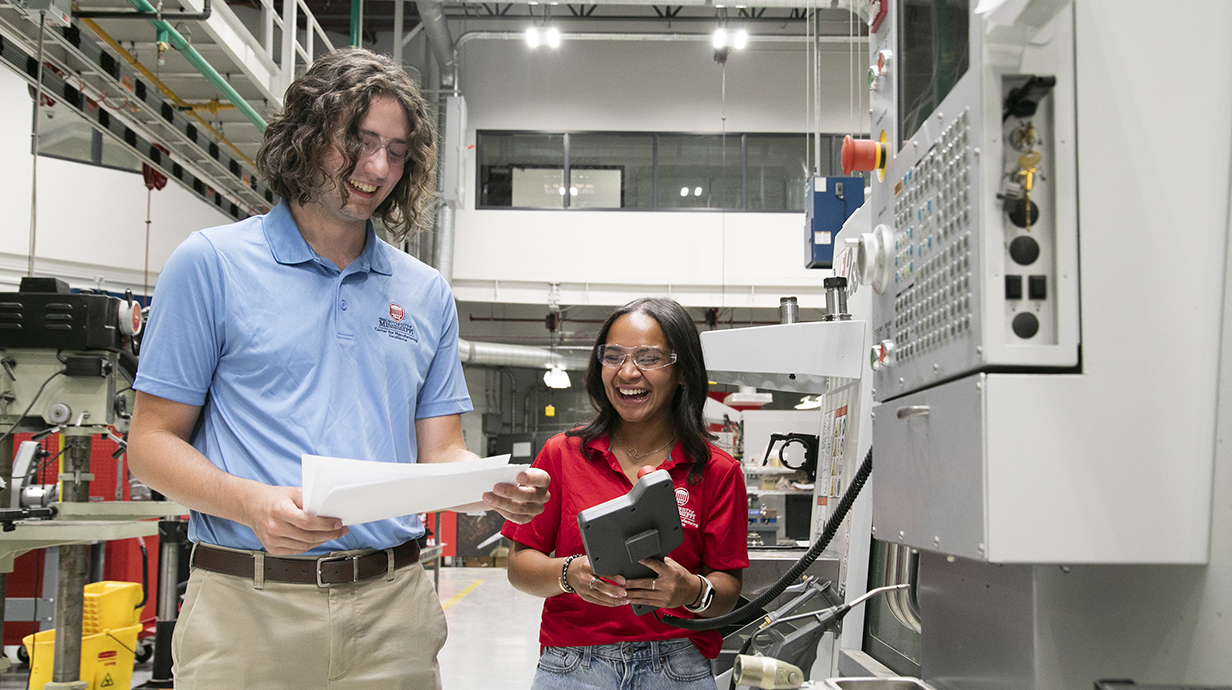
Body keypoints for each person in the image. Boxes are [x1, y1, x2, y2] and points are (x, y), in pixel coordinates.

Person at [127, 48, 550, 690]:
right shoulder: (211, 264)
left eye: (396, 150)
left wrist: (493, 487)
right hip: (250, 606)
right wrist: (253, 503)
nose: (377, 168)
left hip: (393, 609)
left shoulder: (426, 292)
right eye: (357, 141)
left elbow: (442, 454)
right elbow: (149, 445)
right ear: (305, 136)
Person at [501, 297, 748, 690]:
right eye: (613, 356)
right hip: (573, 665)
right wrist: (569, 574)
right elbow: (519, 567)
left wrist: (690, 590)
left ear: (682, 371)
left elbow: (728, 589)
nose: (627, 372)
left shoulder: (717, 470)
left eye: (649, 358)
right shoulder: (561, 455)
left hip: (677, 664)